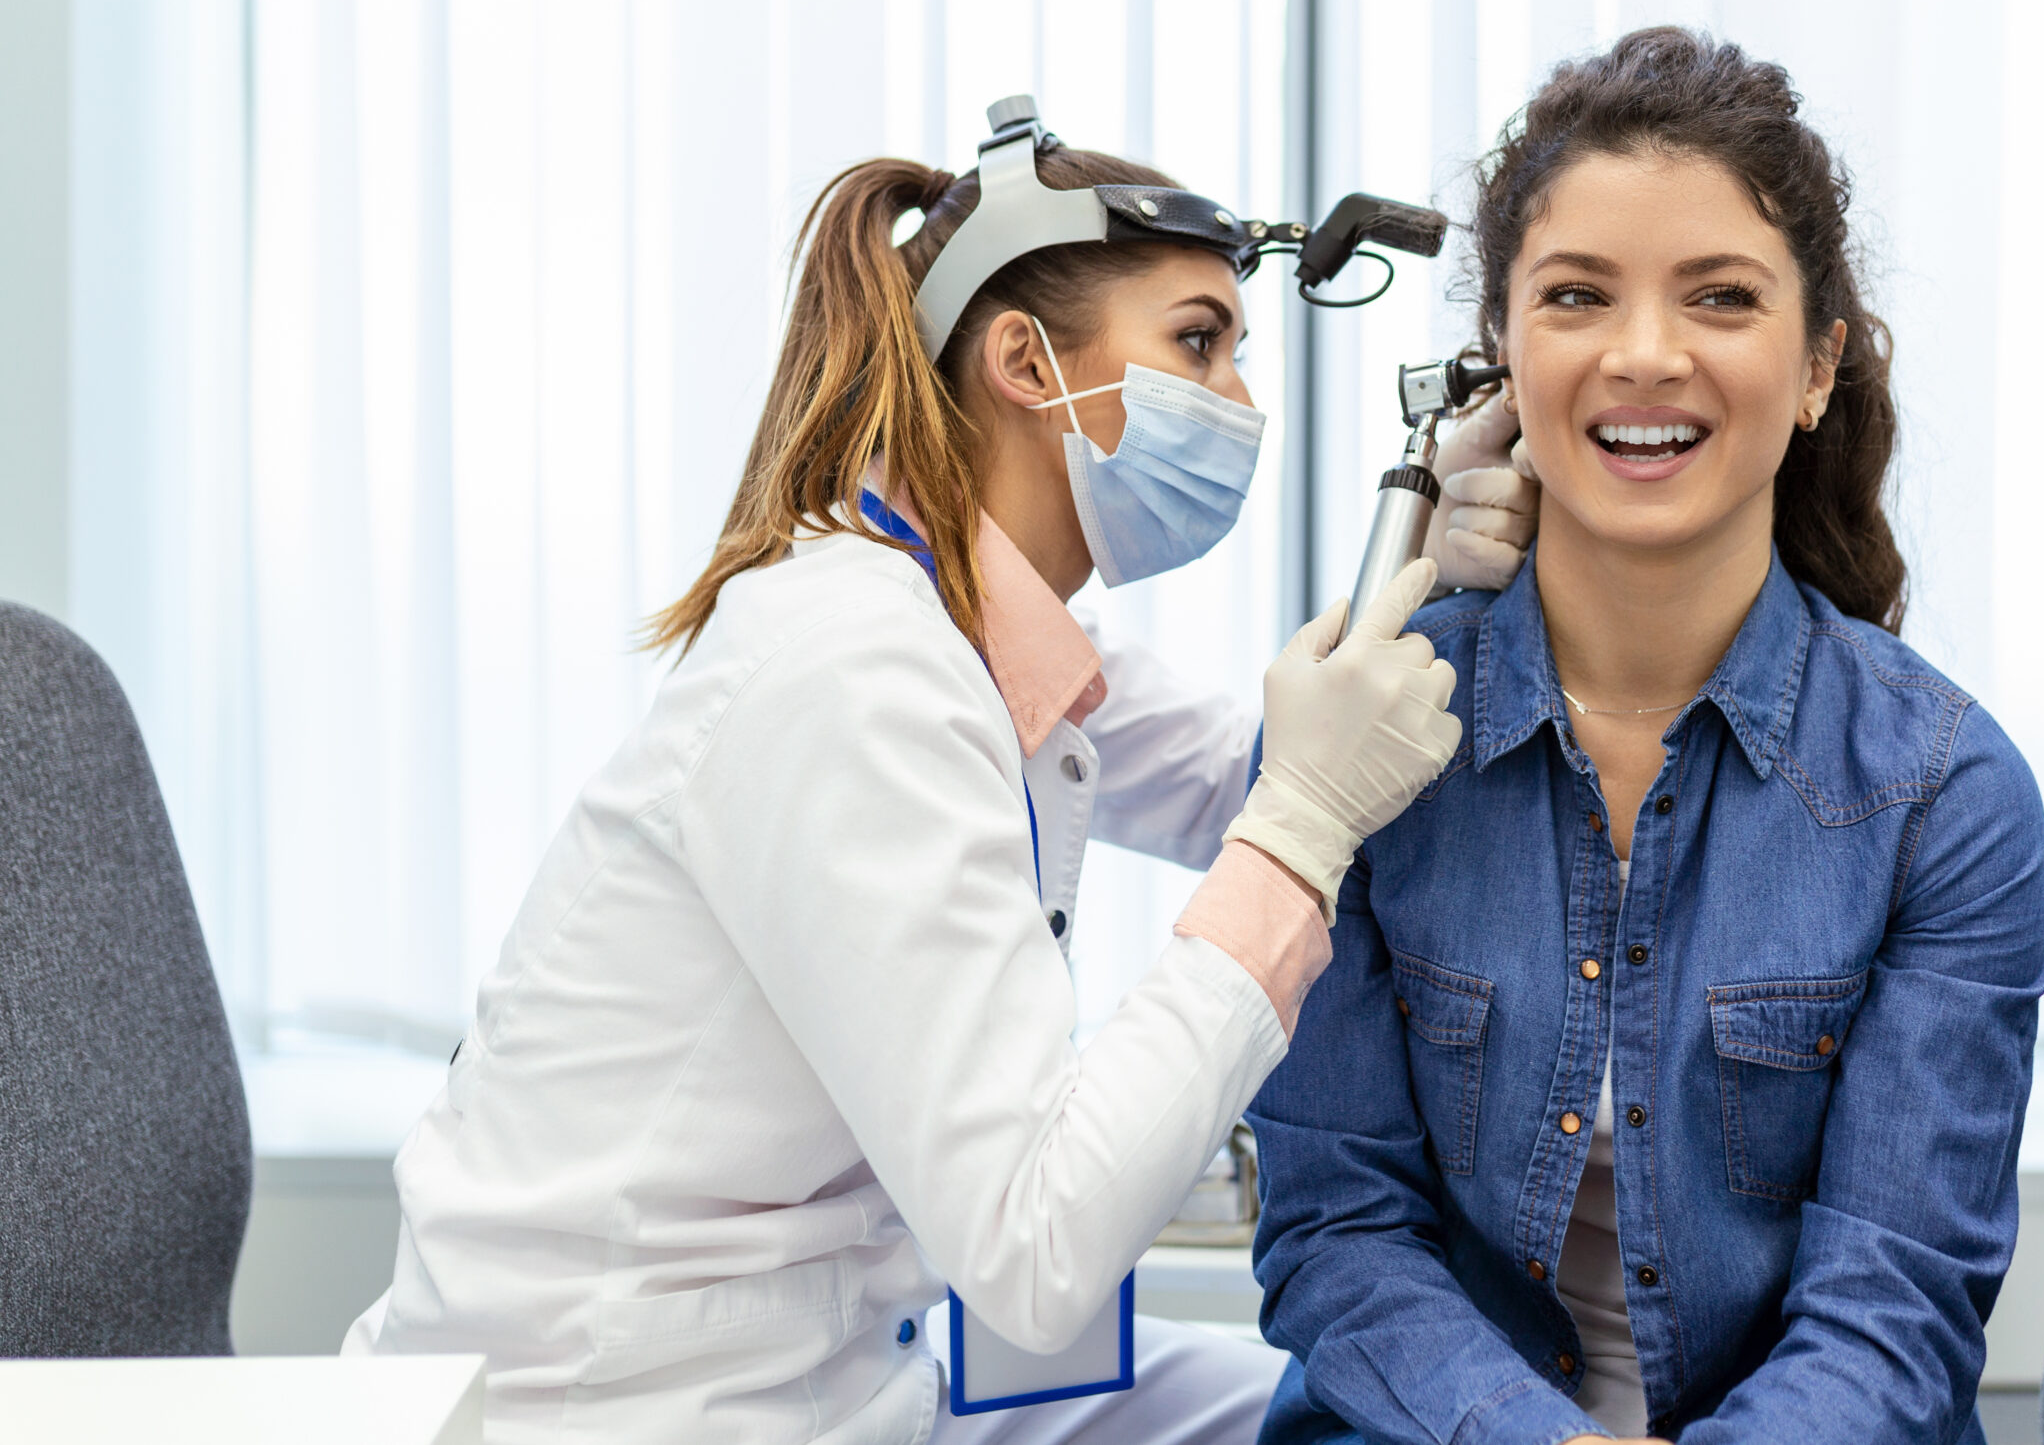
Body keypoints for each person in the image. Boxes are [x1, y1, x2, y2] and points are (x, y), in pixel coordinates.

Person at [343, 102, 1537, 1445]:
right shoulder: (855, 670)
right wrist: (1305, 817)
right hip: (634, 1411)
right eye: (1198, 344)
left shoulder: (967, 628)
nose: (1242, 408)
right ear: (1026, 362)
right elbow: (1040, 1247)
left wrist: (1425, 552)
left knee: (1319, 1414)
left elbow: (1254, 775)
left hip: (850, 1375)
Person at [1248, 29, 2044, 1445]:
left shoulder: (1943, 795)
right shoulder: (1357, 749)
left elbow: (1896, 1307)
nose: (1644, 354)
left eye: (1721, 298)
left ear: (1814, 371)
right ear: (1502, 355)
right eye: (1577, 296)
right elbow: (1338, 1238)